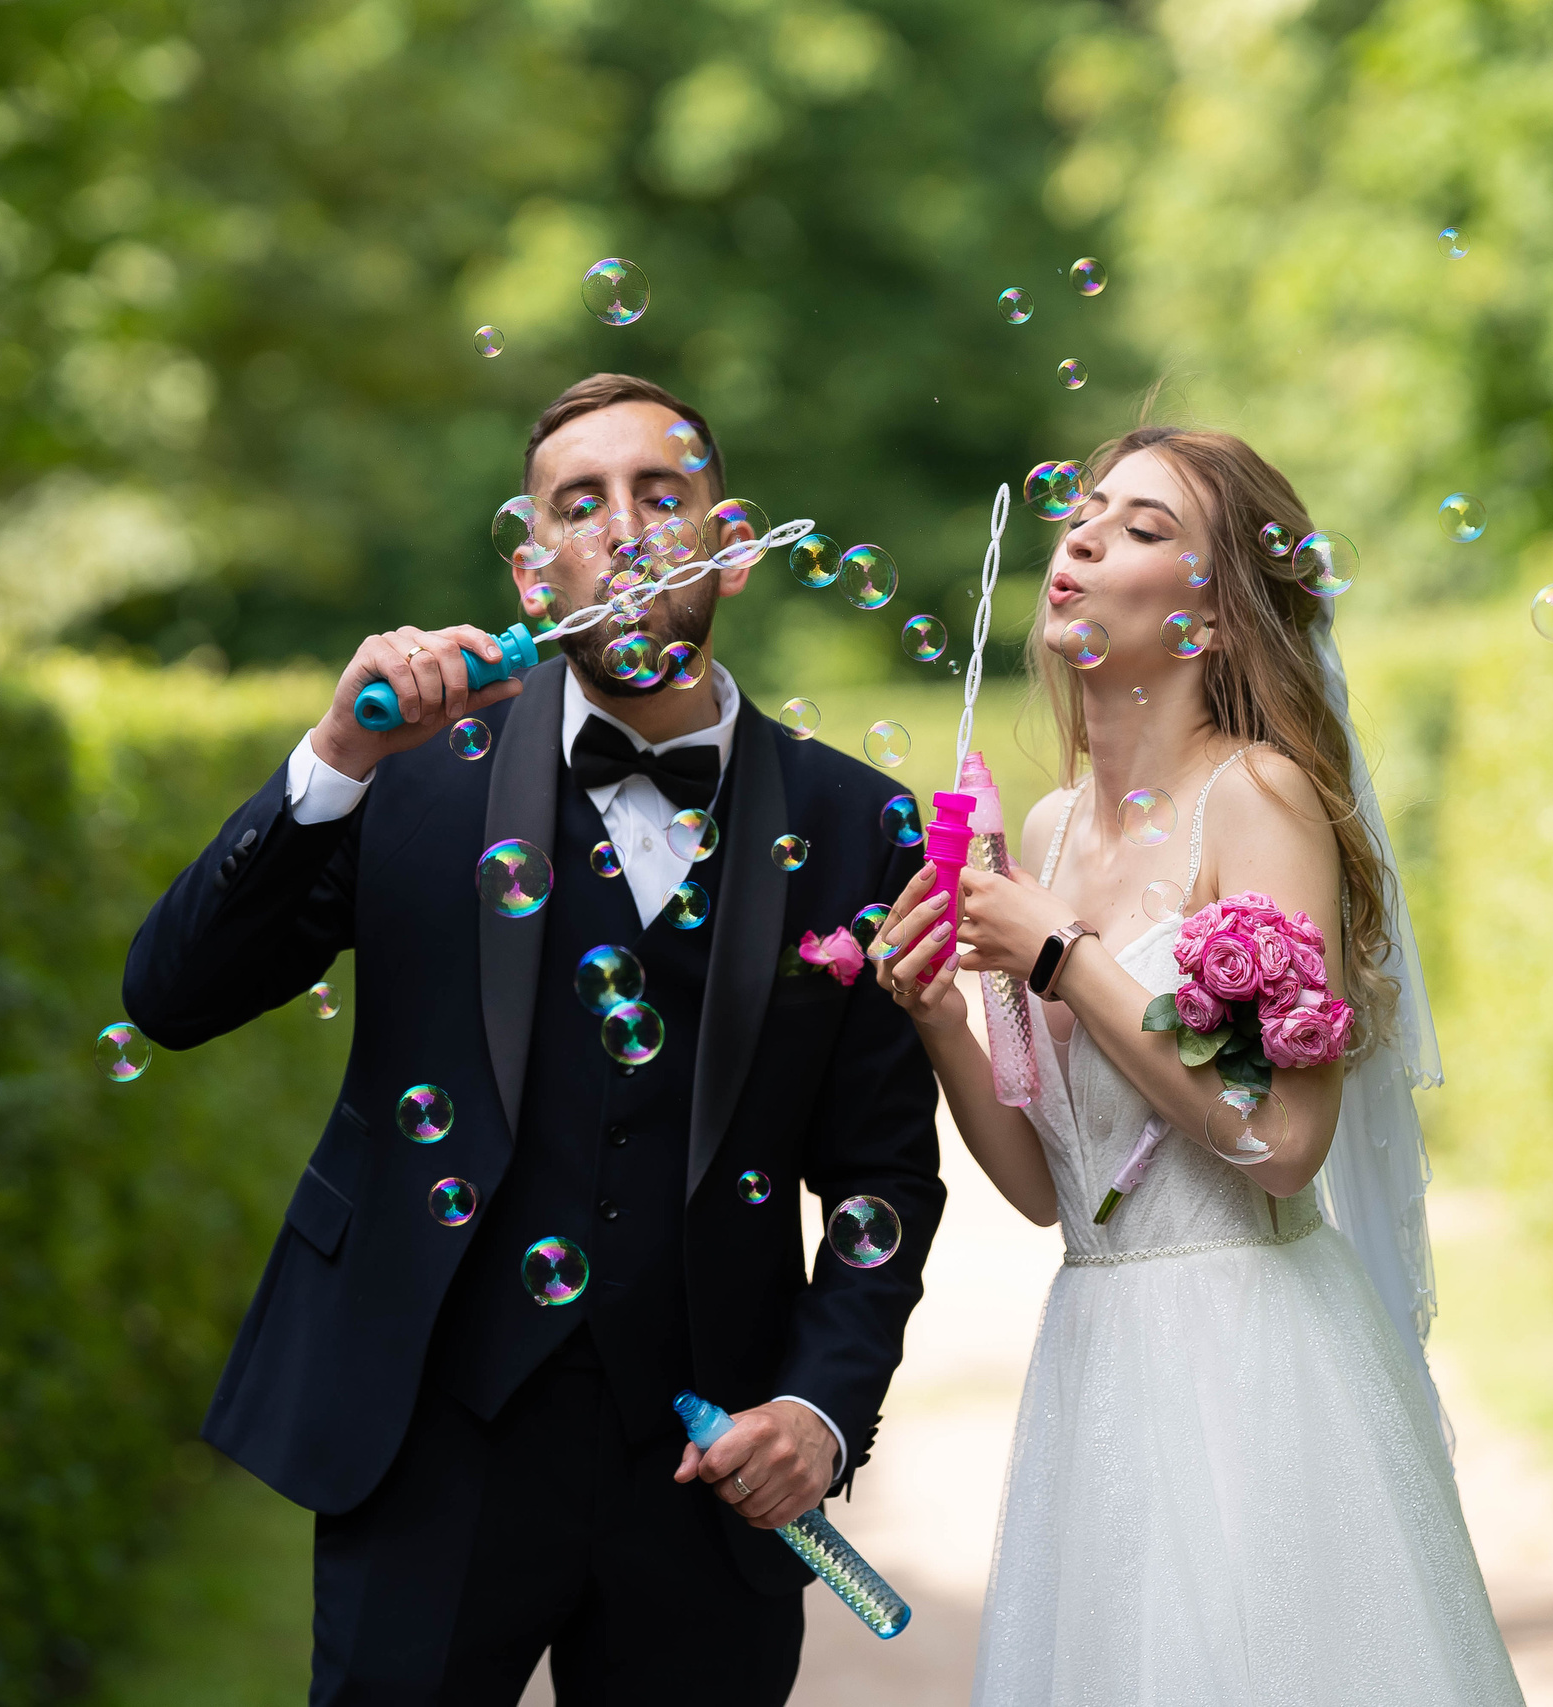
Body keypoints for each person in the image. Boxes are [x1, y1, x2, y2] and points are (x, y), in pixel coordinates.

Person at [122, 373, 945, 1705]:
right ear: (532, 568)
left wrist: (819, 1406)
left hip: (707, 1463)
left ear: (726, 538)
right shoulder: (407, 782)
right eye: (582, 503)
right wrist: (335, 752)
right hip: (430, 1436)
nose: (624, 528)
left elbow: (883, 1177)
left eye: (659, 495)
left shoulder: (859, 823)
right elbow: (169, 993)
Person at [869, 426, 1525, 1703]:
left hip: (1251, 1353)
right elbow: (1058, 1190)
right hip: (1098, 1351)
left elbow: (1281, 1146)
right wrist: (942, 1016)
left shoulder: (1260, 799)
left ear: (1214, 618)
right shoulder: (1049, 826)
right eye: (1085, 512)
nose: (1085, 535)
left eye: (1145, 526)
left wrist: (1060, 956)